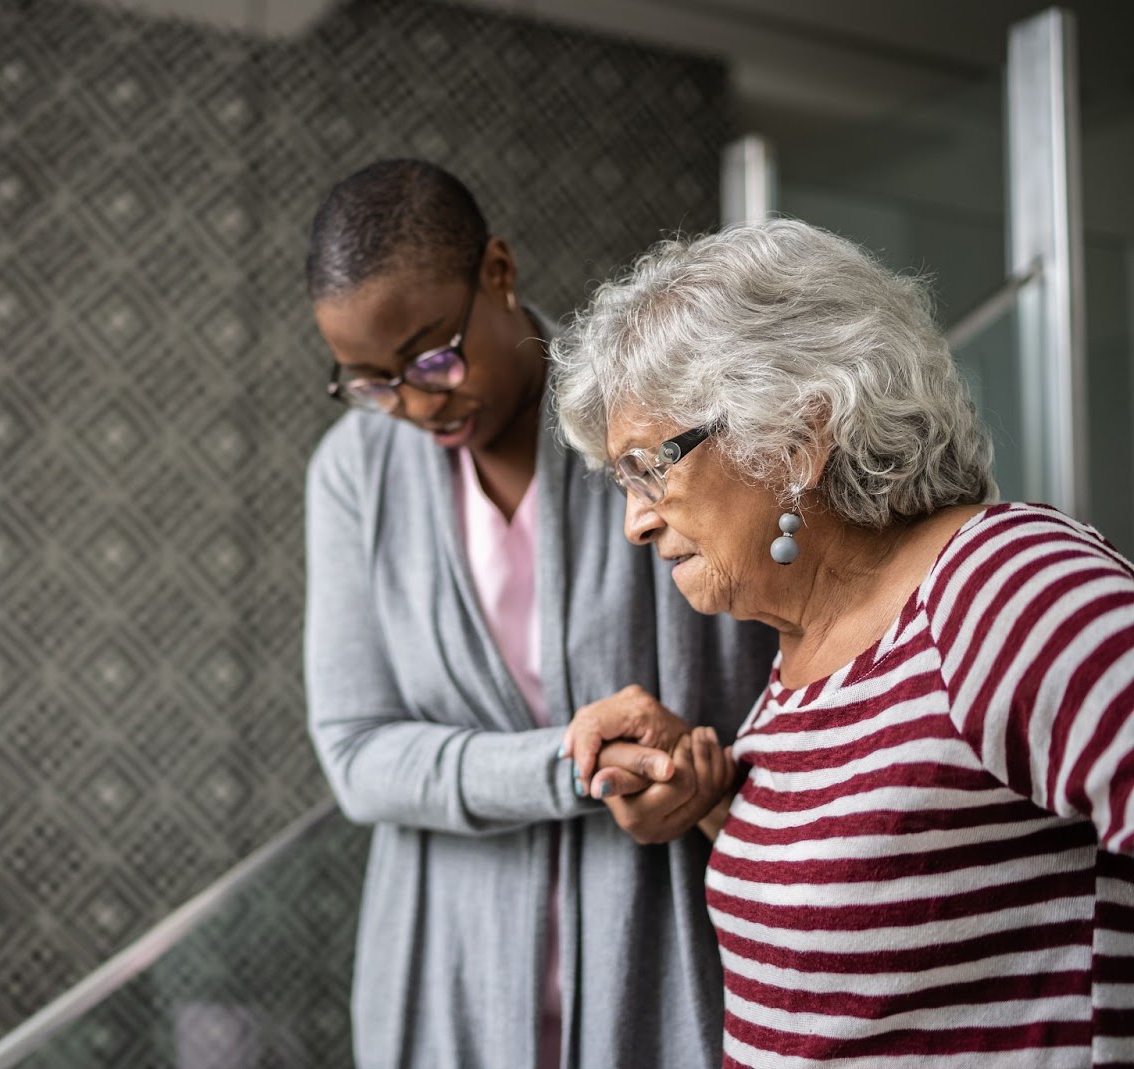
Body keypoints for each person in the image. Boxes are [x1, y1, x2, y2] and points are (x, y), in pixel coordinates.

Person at [552, 217, 1134, 1067]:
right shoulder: (798, 655)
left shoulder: (999, 585)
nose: (636, 521)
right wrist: (712, 794)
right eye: (622, 481)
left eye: (651, 467)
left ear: (797, 438)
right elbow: (894, 899)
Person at [302, 158, 776, 1069]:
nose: (410, 403)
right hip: (444, 964)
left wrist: (697, 778)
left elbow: (786, 667)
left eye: (431, 356)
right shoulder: (352, 474)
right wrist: (576, 768)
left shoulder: (654, 419)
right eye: (367, 381)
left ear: (498, 272)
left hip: (672, 936)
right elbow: (359, 753)